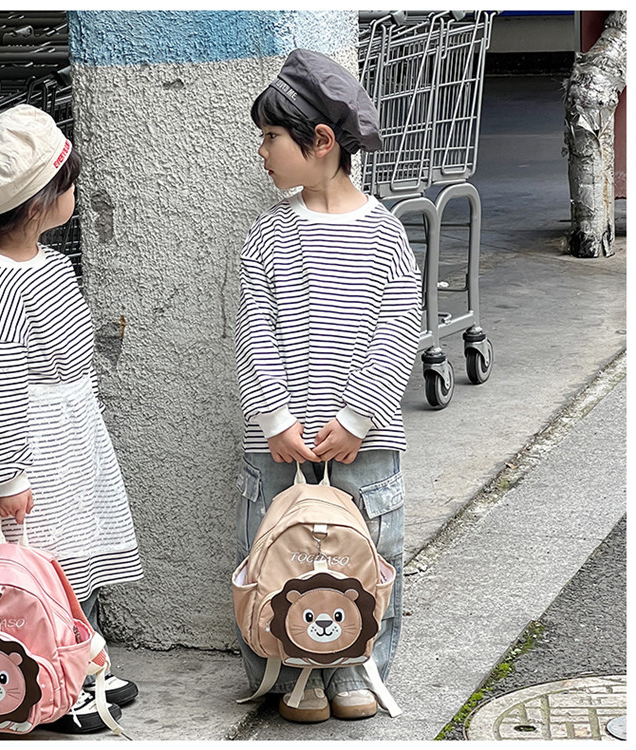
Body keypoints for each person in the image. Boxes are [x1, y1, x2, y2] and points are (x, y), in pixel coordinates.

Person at [234, 49, 422, 723]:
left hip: (363, 445)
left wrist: (359, 416)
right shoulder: (267, 237)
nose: (261, 151)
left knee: (365, 559)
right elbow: (254, 333)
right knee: (277, 560)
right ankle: (292, 675)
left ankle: (354, 670)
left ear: (319, 141)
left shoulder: (385, 236)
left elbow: (398, 330)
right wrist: (276, 418)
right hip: (280, 444)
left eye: (270, 137)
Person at [0, 104, 143, 734]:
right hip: (34, 450)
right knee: (39, 563)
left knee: (72, 561)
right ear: (37, 202)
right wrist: (8, 475)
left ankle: (76, 666)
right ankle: (47, 681)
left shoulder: (48, 263)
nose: (74, 194)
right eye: (67, 183)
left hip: (70, 438)